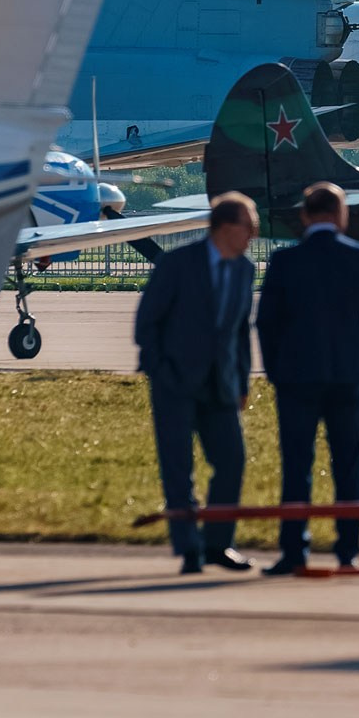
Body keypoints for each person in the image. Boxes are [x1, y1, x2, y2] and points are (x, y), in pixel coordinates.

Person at [256, 181, 359, 575]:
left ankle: (294, 550)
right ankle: (347, 550)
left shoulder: (284, 262)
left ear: (304, 216)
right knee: (347, 464)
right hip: (347, 375)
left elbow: (266, 324)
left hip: (296, 377)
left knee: (296, 465)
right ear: (341, 215)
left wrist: (275, 371)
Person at [134, 191, 258, 574]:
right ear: (225, 227)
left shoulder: (244, 269)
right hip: (175, 381)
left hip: (220, 384)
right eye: (248, 227)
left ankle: (218, 544)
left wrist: (242, 382)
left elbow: (238, 332)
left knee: (232, 460)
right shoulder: (177, 264)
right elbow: (147, 323)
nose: (253, 235)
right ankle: (188, 548)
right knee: (178, 467)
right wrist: (160, 370)